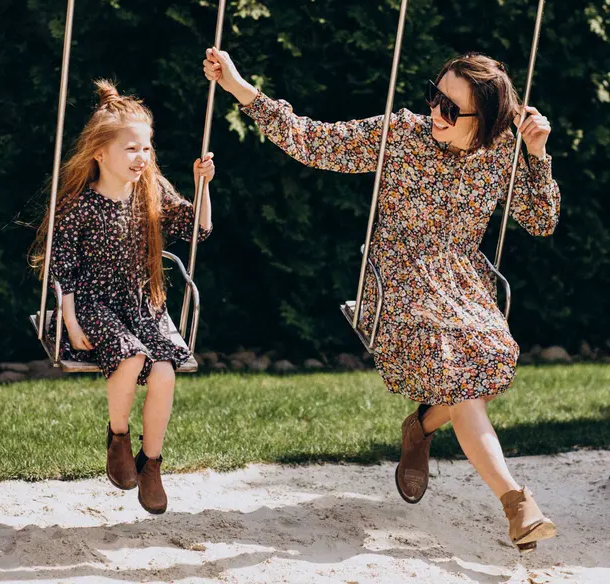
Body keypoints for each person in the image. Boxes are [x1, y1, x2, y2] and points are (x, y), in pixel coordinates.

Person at [203, 48, 560, 551]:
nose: (434, 112)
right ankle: (517, 503)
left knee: (480, 375)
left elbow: (541, 220)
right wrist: (240, 87)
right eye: (435, 97)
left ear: (485, 121)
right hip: (397, 279)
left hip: (461, 282)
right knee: (463, 381)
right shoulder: (402, 135)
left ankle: (420, 426)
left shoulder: (501, 149)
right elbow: (312, 141)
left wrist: (538, 155)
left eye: (450, 109)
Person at [31, 80, 215, 515]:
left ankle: (151, 464)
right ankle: (118, 437)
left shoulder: (150, 194)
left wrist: (201, 186)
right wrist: (72, 323)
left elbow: (199, 230)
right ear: (100, 153)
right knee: (131, 359)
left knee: (165, 372)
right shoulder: (78, 205)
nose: (142, 158)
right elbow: (62, 269)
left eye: (146, 149)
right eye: (131, 149)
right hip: (94, 306)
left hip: (141, 304)